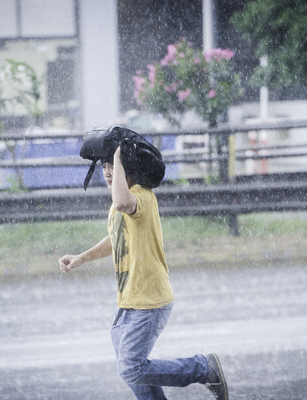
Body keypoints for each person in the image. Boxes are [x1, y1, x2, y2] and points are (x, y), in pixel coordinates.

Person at [58, 144, 228, 399]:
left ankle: (204, 368)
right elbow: (117, 237)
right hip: (127, 302)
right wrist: (80, 258)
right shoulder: (120, 203)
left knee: (131, 369)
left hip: (149, 301)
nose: (107, 172)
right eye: (104, 166)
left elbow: (122, 201)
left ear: (129, 168)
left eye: (112, 166)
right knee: (133, 371)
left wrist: (119, 155)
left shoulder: (141, 197)